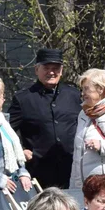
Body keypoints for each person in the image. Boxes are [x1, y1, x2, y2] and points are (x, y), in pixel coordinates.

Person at [7, 48, 82, 189]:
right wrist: (20, 150)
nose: (51, 72)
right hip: (39, 172)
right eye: (46, 68)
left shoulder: (74, 95)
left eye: (56, 68)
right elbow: (6, 131)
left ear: (62, 70)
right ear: (36, 70)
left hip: (71, 170)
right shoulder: (23, 99)